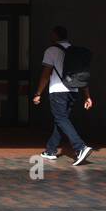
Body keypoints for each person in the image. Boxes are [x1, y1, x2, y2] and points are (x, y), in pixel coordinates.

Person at [33, 25, 93, 166]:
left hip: (58, 90)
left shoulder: (51, 50)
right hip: (74, 90)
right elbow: (82, 76)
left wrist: (38, 93)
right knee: (61, 120)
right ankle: (51, 150)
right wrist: (87, 96)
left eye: (51, 34)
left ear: (54, 35)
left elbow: (46, 74)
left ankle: (80, 147)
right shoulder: (74, 51)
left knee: (60, 119)